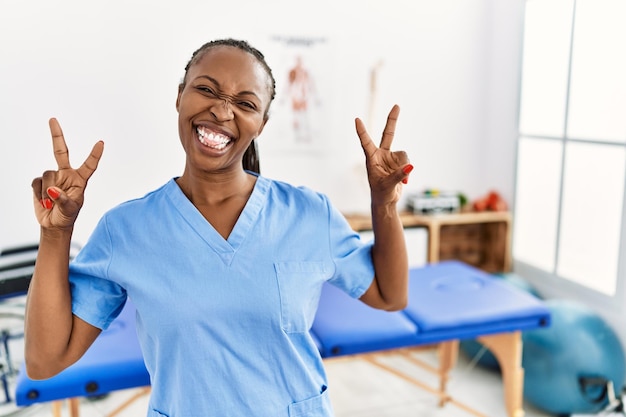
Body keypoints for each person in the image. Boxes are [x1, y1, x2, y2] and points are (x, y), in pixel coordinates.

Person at [25, 38, 413, 417]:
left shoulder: (308, 213)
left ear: (261, 123)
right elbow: (44, 362)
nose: (222, 111)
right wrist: (56, 233)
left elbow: (389, 295)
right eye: (206, 90)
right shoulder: (126, 230)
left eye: (245, 103)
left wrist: (384, 203)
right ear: (179, 97)